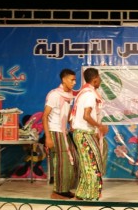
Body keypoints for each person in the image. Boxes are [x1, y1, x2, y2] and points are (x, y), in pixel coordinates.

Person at [71, 68, 108, 200]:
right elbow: (86, 116)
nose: (101, 80)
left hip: (81, 133)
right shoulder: (90, 95)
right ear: (95, 79)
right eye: (99, 78)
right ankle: (91, 196)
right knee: (94, 165)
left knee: (87, 164)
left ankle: (81, 194)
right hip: (84, 133)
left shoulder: (83, 93)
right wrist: (100, 126)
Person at [42, 68, 78, 199]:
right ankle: (57, 192)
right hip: (55, 131)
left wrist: (72, 125)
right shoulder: (54, 95)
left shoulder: (69, 95)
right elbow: (45, 116)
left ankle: (65, 189)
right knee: (62, 162)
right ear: (64, 79)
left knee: (72, 159)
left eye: (75, 80)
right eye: (72, 80)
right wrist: (48, 137)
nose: (74, 82)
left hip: (64, 131)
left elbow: (67, 115)